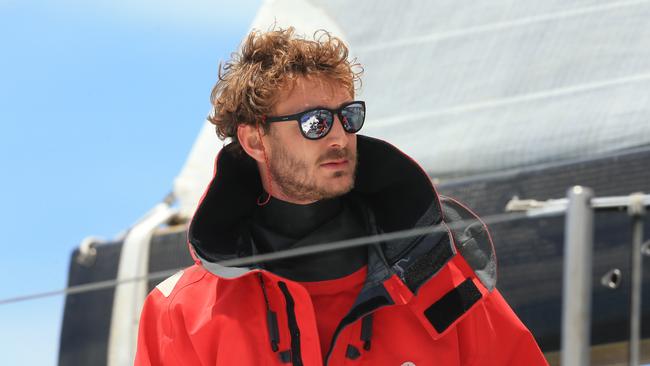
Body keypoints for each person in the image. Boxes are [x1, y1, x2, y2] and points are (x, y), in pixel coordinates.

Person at [135, 27, 547, 366]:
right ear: (255, 140)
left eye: (347, 117)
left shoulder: (440, 277)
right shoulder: (182, 311)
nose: (339, 137)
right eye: (314, 122)